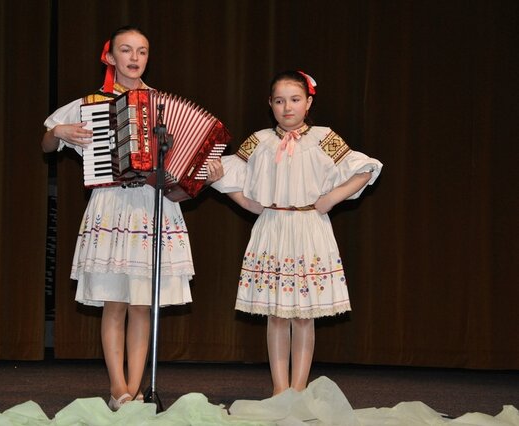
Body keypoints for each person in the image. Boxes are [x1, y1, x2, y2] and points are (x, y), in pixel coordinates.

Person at [42, 26, 220, 411]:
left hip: (152, 206)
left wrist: (208, 168)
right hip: (111, 204)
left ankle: (137, 389)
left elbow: (189, 160)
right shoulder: (92, 102)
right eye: (126, 50)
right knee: (114, 302)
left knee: (142, 302)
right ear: (110, 57)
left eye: (142, 51)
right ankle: (117, 387)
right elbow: (47, 142)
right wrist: (59, 131)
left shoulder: (161, 103)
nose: (135, 57)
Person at [210, 70, 382, 395]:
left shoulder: (324, 137)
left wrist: (331, 198)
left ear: (308, 102)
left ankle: (299, 388)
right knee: (276, 314)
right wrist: (241, 197)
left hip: (308, 229)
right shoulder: (259, 141)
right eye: (279, 101)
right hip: (272, 228)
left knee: (304, 315)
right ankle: (279, 388)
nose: (287, 107)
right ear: (270, 104)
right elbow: (229, 175)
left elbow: (365, 167)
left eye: (294, 99)